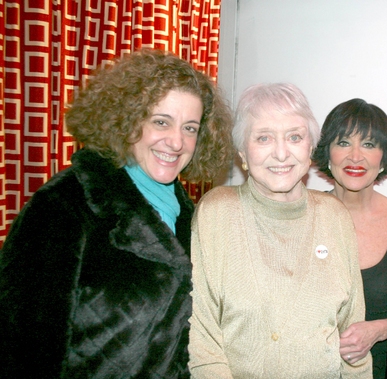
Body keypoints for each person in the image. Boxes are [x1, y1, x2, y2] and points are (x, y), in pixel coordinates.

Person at [0, 49, 233, 378]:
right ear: (127, 119)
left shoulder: (194, 216)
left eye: (190, 128)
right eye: (161, 122)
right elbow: (21, 347)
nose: (177, 142)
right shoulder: (64, 204)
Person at [188, 83, 372, 378]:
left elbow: (353, 340)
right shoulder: (217, 212)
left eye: (295, 137)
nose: (282, 153)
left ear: (310, 148)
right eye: (263, 138)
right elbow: (202, 338)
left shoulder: (335, 216)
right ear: (243, 153)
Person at [312, 98, 387, 379]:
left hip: (379, 370)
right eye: (343, 143)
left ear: (383, 158)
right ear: (327, 153)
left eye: (369, 144)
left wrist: (380, 330)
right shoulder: (302, 217)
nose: (355, 157)